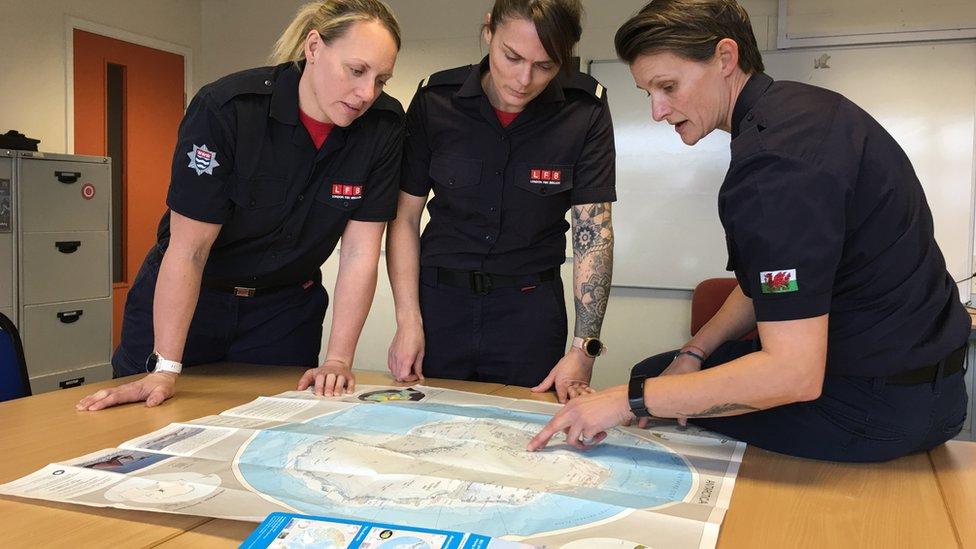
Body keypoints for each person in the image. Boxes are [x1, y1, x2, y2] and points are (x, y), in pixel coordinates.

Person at [529, 0, 970, 462]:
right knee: (662, 373)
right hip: (931, 389)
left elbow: (792, 376)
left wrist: (624, 401)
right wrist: (694, 352)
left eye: (668, 87)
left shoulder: (773, 168)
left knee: (645, 389)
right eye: (648, 93)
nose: (658, 111)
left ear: (725, 58)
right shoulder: (802, 111)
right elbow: (766, 281)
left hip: (874, 410)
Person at [76, 0, 404, 411]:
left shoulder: (384, 128)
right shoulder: (228, 109)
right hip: (194, 303)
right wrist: (165, 366)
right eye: (356, 71)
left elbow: (360, 253)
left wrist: (338, 359)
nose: (366, 94)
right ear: (314, 47)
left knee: (272, 434)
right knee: (152, 423)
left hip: (283, 315)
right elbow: (189, 250)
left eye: (382, 80)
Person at [386, 0, 616, 402]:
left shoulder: (584, 111)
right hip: (439, 306)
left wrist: (585, 347)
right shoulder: (435, 101)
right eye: (512, 57)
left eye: (546, 66)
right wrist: (408, 320)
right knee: (424, 433)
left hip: (529, 314)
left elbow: (593, 233)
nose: (524, 79)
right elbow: (404, 219)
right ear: (489, 31)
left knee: (524, 442)